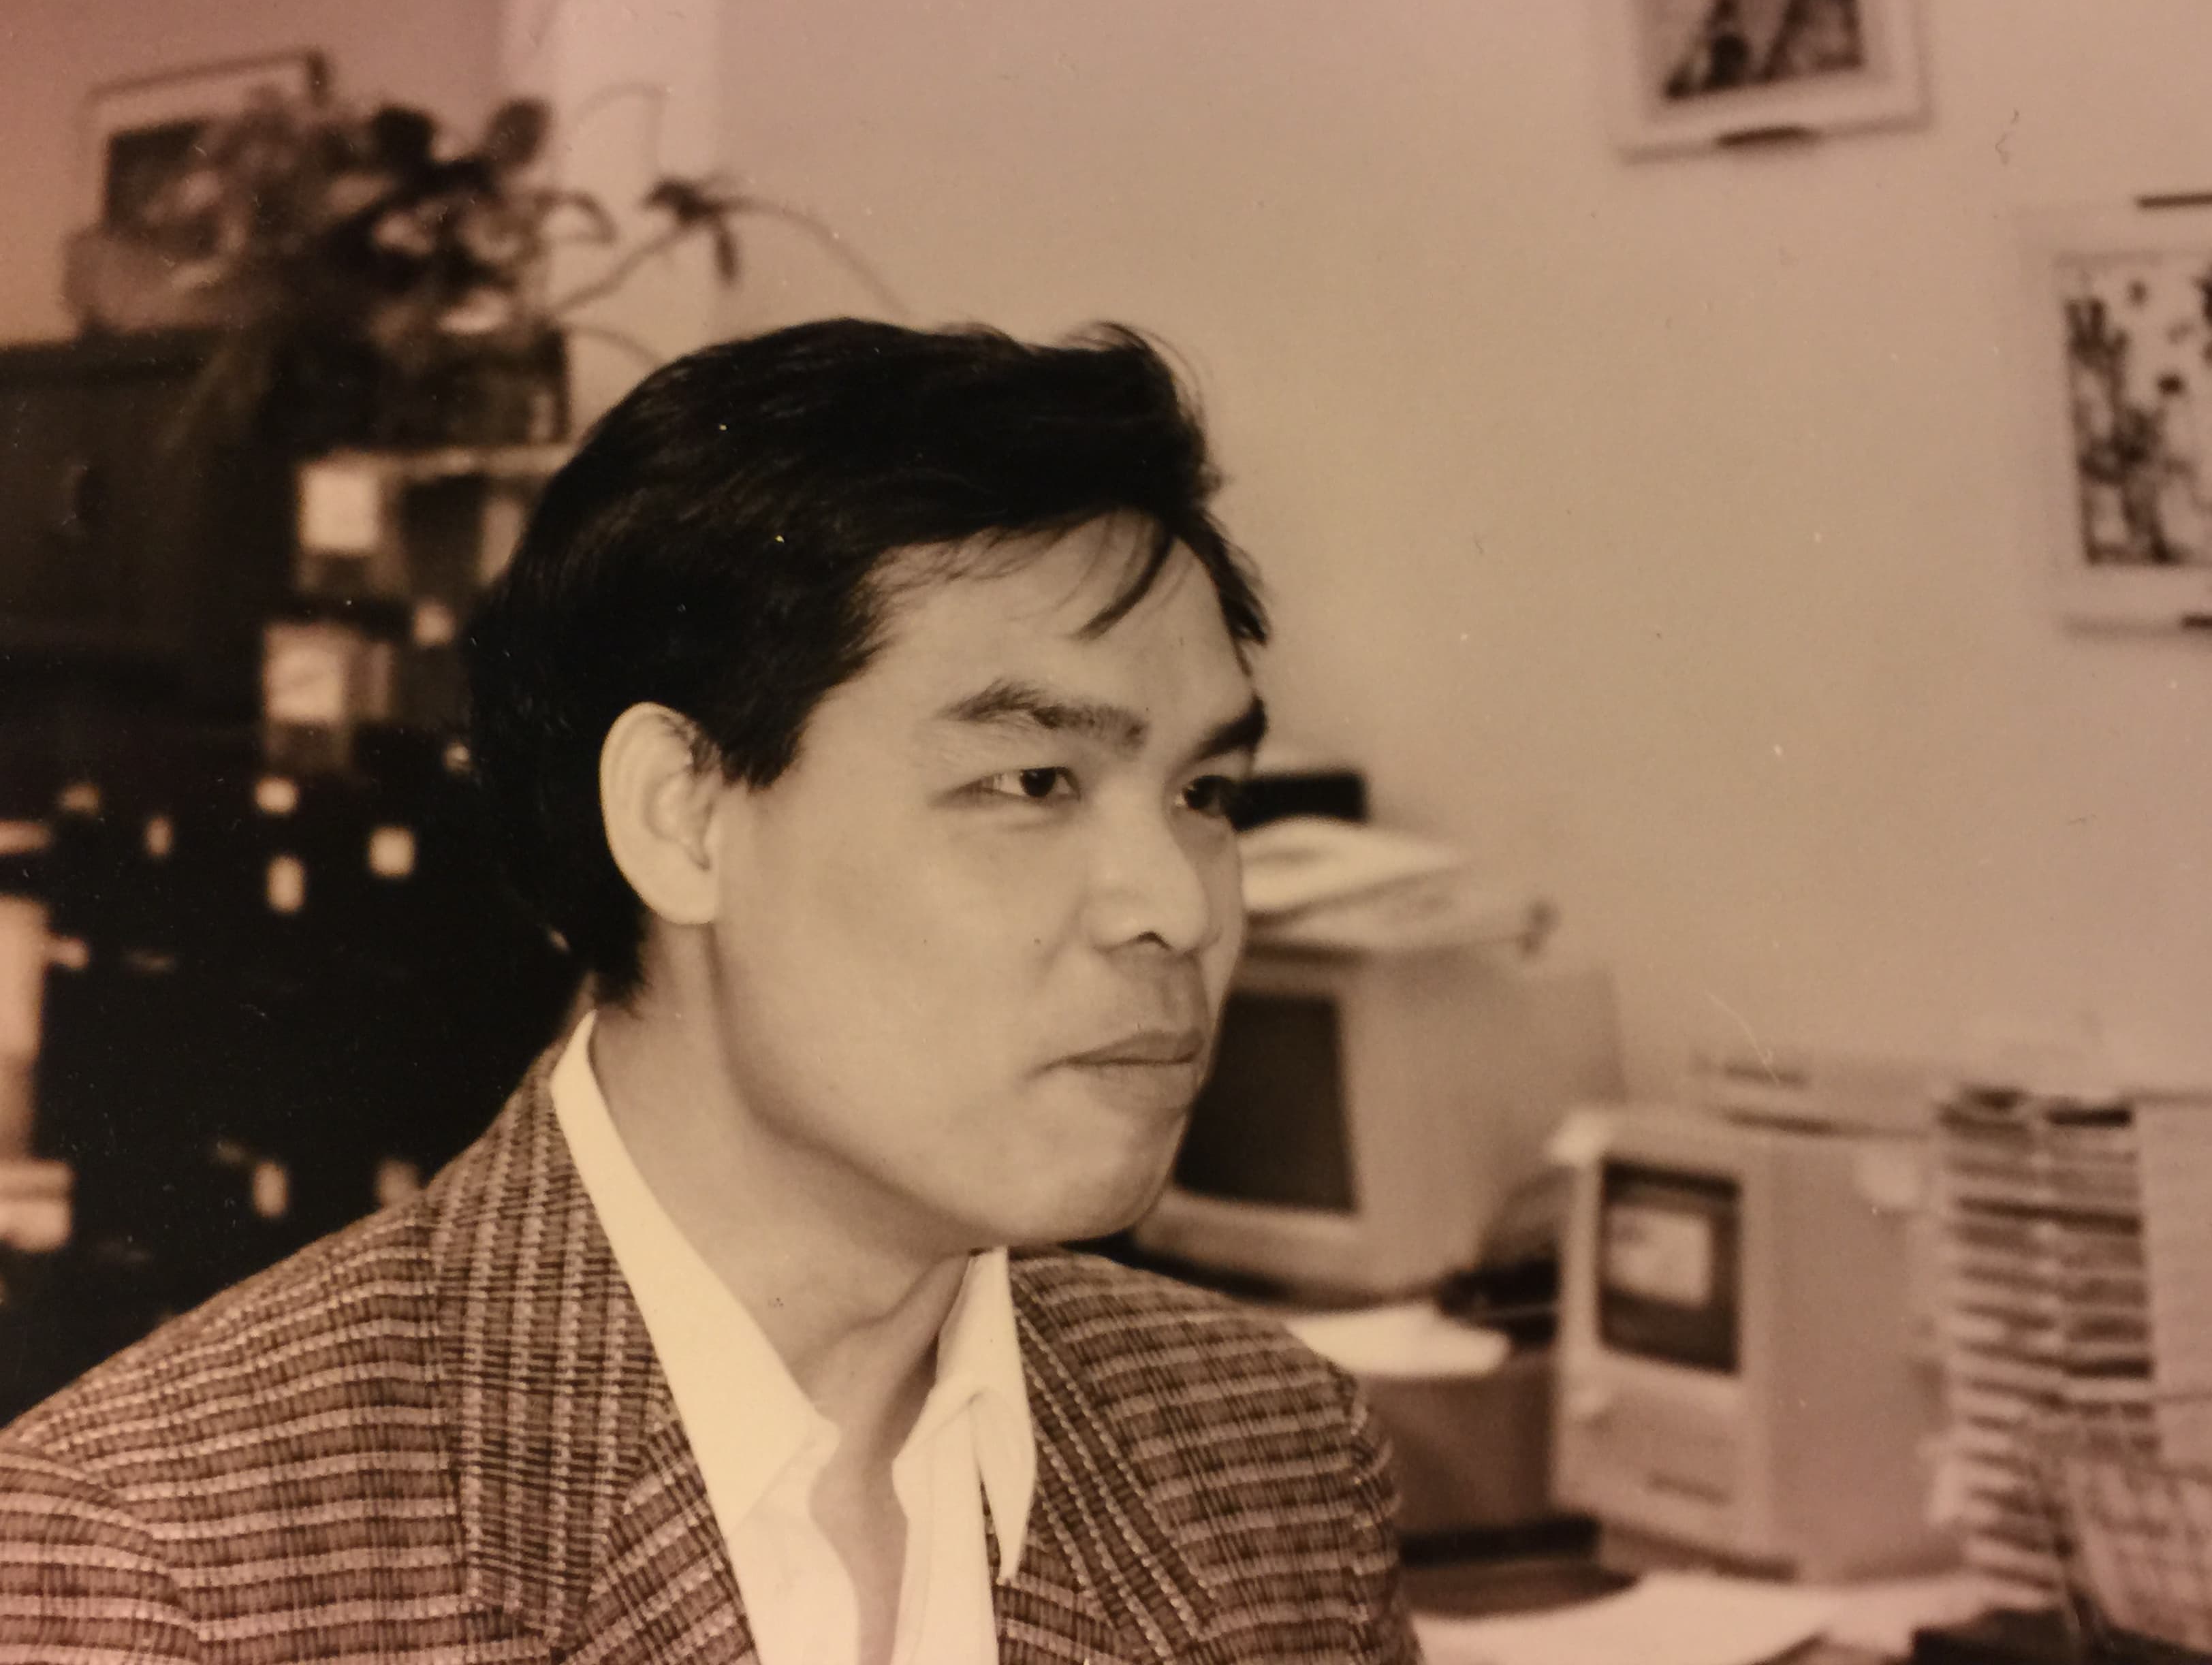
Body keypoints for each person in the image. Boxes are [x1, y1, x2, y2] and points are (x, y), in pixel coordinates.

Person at [0, 320, 1420, 1663]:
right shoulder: (151, 1563)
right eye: (1034, 782)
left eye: (1205, 792)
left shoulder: (1274, 1462)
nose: (1178, 904)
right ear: (682, 817)